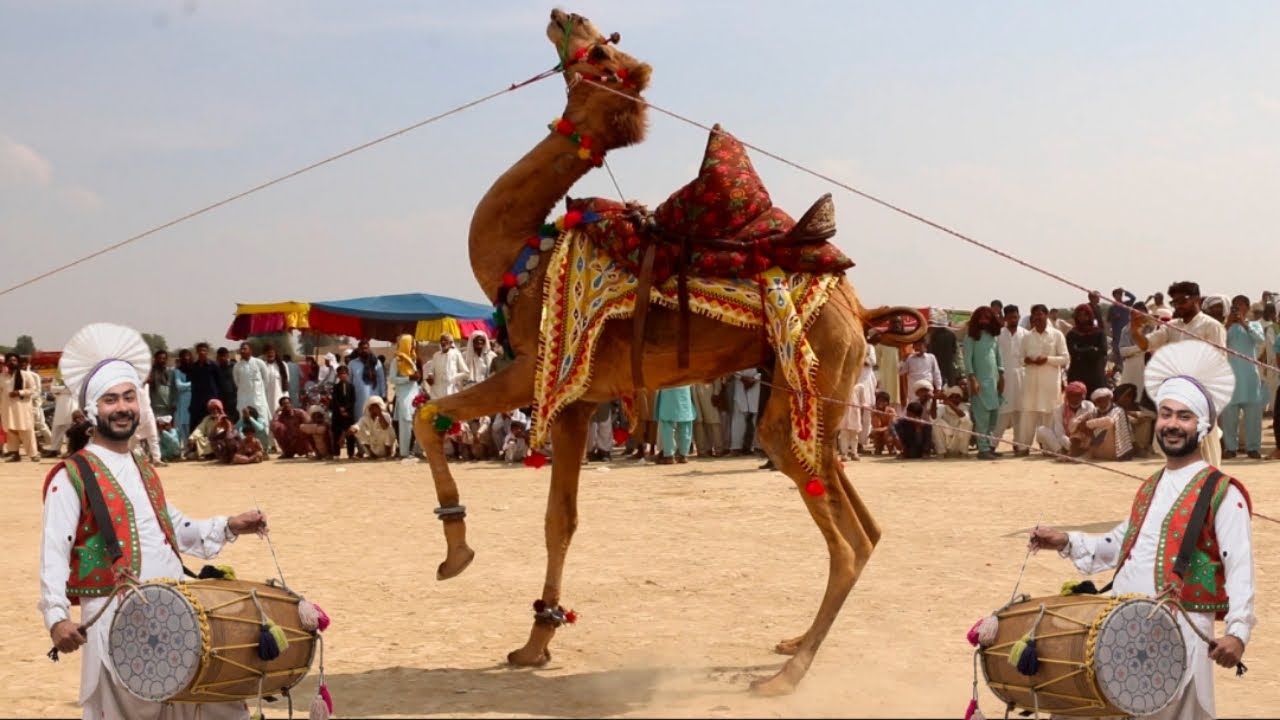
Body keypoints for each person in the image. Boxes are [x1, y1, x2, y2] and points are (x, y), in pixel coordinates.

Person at [39, 322, 266, 720]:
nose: (123, 407)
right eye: (111, 400)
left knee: (216, 704)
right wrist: (56, 617)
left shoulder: (142, 465)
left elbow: (171, 529)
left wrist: (229, 525)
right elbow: (54, 550)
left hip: (176, 612)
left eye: (129, 397)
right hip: (115, 621)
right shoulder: (71, 475)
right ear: (93, 410)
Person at [1028, 341, 1255, 720]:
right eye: (1166, 414)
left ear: (1202, 426)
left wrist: (1238, 631)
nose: (1171, 424)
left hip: (1180, 630)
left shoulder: (1223, 492)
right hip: (1123, 624)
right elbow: (1123, 543)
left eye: (1184, 416)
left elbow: (1240, 567)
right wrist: (1066, 540)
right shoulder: (1151, 484)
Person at [962, 305, 1005, 460]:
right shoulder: (971, 338)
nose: (984, 321)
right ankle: (983, 449)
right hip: (978, 383)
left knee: (993, 416)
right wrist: (972, 379)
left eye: (987, 318)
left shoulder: (993, 338)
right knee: (982, 417)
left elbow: (999, 358)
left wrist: (1002, 376)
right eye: (981, 318)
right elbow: (967, 361)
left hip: (994, 383)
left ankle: (988, 446)